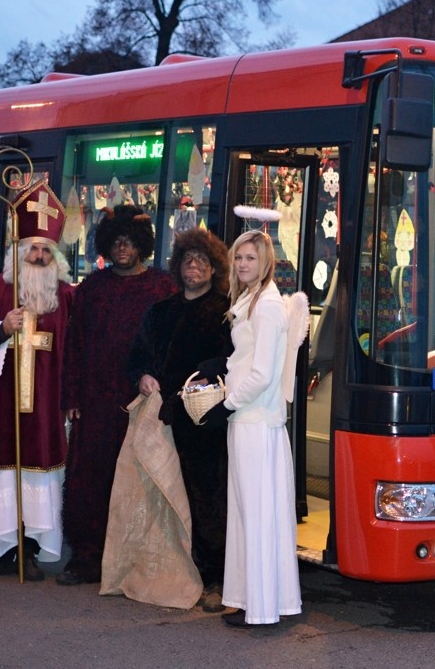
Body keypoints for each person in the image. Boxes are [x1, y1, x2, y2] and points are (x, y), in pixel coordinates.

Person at [0, 180, 75, 581]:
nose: (40, 255)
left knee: (39, 474)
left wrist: (73, 394)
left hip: (47, 403)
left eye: (47, 249)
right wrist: (1, 329)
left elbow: (77, 348)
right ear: (18, 250)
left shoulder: (67, 296)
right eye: (33, 248)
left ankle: (29, 545)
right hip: (0, 401)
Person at [58, 205, 176, 585]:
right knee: (89, 479)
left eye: (129, 241)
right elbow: (74, 345)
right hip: (95, 400)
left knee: (141, 481)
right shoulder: (92, 288)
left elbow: (174, 343)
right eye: (116, 241)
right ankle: (86, 557)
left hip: (144, 399)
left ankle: (134, 560)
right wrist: (72, 394)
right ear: (107, 244)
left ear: (142, 244)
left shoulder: (163, 287)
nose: (122, 248)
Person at [127, 228, 232, 612]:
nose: (194, 266)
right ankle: (174, 570)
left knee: (208, 500)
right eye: (188, 259)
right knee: (167, 498)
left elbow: (234, 361)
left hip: (207, 424)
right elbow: (136, 356)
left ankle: (214, 579)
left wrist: (210, 378)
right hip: (165, 419)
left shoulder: (227, 310)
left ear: (214, 268)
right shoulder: (161, 311)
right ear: (178, 266)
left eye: (202, 260)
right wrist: (142, 375)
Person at [202, 229, 302, 627]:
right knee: (247, 514)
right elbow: (249, 362)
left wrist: (224, 404)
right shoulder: (252, 300)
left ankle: (261, 607)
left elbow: (262, 373)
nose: (243, 264)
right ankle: (249, 599)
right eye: (238, 257)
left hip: (255, 420)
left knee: (256, 515)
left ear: (265, 262)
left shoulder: (267, 306)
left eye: (250, 258)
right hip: (250, 418)